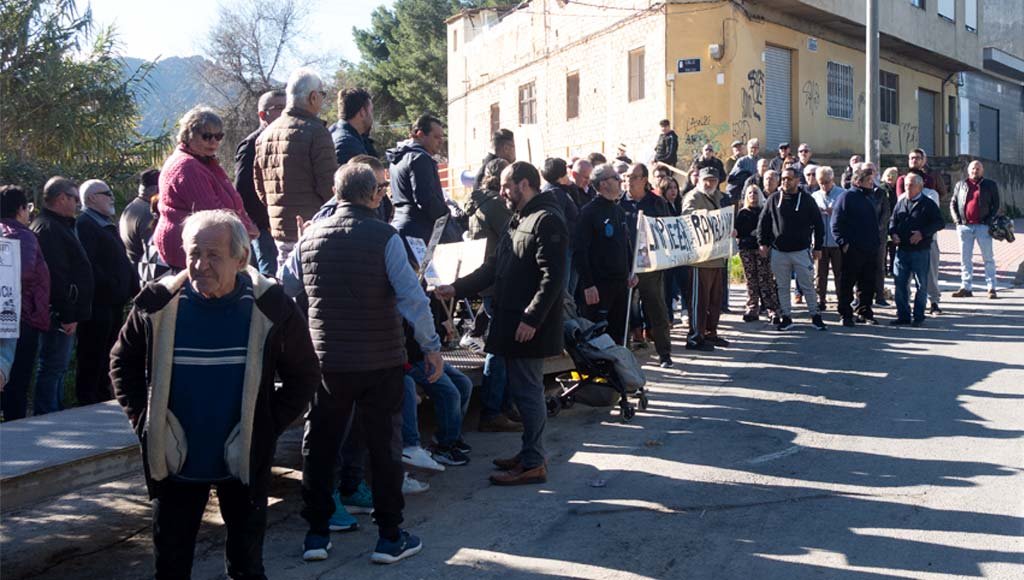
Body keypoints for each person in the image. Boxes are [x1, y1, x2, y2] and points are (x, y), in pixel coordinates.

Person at [110, 209, 320, 579]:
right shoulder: (159, 305)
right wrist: (145, 421)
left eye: (213, 255)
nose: (200, 264)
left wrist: (266, 426)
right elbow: (121, 362)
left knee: (246, 567)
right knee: (171, 567)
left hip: (241, 463)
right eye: (193, 254)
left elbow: (304, 375)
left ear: (240, 259)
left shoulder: (270, 307)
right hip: (175, 461)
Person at [299, 163, 443, 564]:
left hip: (327, 363)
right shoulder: (385, 237)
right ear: (375, 196)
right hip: (379, 362)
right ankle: (390, 536)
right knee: (384, 448)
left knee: (321, 446)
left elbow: (288, 287)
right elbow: (411, 297)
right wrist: (431, 346)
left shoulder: (308, 238)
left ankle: (316, 534)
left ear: (336, 192)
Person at [436, 161, 567, 486]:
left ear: (524, 184)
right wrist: (456, 288)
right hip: (511, 323)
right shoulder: (519, 218)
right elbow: (493, 268)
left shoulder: (548, 220)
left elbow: (554, 278)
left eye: (507, 185)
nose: (502, 191)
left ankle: (534, 462)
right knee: (524, 392)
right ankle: (529, 453)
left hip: (528, 326)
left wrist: (532, 318)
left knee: (528, 393)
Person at [254, 68, 337, 272]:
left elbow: (260, 188)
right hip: (314, 230)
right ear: (313, 97)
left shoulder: (265, 135)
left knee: (289, 292)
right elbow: (330, 188)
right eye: (322, 95)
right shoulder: (317, 132)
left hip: (280, 232)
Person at [156, 106, 258, 272]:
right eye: (206, 136)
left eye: (218, 136)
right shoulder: (188, 166)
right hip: (189, 248)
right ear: (189, 135)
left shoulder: (203, 161)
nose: (214, 142)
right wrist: (244, 230)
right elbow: (212, 213)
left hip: (202, 244)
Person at [464, 158, 520, 433]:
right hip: (497, 281)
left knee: (501, 347)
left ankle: (503, 405)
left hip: (491, 281)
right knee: (499, 349)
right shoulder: (495, 206)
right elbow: (517, 234)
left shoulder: (480, 203)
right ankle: (493, 409)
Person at [30, 177, 94, 415]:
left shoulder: (59, 225)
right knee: (52, 365)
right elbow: (55, 276)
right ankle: (47, 413)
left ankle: (55, 410)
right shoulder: (47, 228)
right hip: (59, 313)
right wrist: (66, 313)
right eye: (75, 198)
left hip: (67, 311)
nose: (78, 203)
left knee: (58, 366)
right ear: (61, 198)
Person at [74, 179, 136, 405]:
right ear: (91, 198)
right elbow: (88, 264)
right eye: (106, 193)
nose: (111, 197)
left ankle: (102, 397)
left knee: (107, 354)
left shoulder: (105, 223)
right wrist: (111, 284)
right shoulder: (85, 224)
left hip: (114, 304)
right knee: (92, 355)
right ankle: (88, 402)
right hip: (98, 305)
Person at [0, 186, 50, 421]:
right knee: (17, 383)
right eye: (27, 207)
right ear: (20, 209)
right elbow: (23, 273)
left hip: (12, 315)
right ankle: (15, 434)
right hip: (21, 318)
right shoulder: (22, 234)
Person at [757, 166, 827, 331]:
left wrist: (817, 247)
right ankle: (786, 317)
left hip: (801, 252)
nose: (785, 182)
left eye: (789, 179)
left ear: (797, 180)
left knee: (808, 285)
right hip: (778, 252)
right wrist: (762, 243)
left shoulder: (807, 200)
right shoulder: (774, 199)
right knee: (782, 286)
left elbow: (818, 224)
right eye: (783, 179)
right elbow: (763, 222)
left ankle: (815, 316)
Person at [621, 163, 674, 367]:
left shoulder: (656, 202)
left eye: (633, 177)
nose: (628, 181)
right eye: (626, 177)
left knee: (656, 308)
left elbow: (667, 229)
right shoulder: (619, 203)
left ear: (644, 179)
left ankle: (664, 353)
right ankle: (624, 354)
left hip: (650, 265)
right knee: (625, 310)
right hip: (626, 266)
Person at [576, 164, 636, 344]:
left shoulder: (618, 210)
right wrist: (588, 284)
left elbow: (625, 245)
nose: (620, 182)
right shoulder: (589, 212)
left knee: (619, 336)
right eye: (616, 178)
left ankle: (618, 371)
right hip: (599, 286)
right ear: (603, 184)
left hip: (621, 283)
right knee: (599, 337)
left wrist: (632, 271)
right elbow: (580, 250)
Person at [235, 89, 287, 275]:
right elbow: (241, 190)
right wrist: (260, 223)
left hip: (282, 225)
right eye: (279, 107)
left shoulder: (284, 140)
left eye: (287, 106)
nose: (285, 111)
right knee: (268, 277)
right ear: (262, 114)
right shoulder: (251, 145)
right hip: (264, 228)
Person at [681, 167, 731, 350]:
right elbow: (687, 218)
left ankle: (711, 333)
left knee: (715, 299)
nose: (710, 183)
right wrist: (711, 220)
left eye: (713, 180)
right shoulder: (693, 197)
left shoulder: (718, 197)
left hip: (716, 257)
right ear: (699, 180)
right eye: (706, 180)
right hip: (700, 259)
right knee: (699, 300)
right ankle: (695, 337)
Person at [889, 173, 944, 326]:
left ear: (920, 186)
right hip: (902, 250)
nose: (908, 187)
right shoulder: (901, 202)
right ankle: (903, 315)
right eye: (906, 184)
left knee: (921, 284)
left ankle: (918, 316)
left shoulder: (928, 203)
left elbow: (939, 223)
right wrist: (893, 233)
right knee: (900, 284)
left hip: (920, 250)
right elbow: (893, 220)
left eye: (911, 185)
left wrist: (922, 233)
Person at [387, 114, 451, 243]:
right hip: (418, 232)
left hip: (399, 226)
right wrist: (446, 213)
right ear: (421, 134)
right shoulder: (420, 158)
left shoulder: (398, 158)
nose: (441, 141)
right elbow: (425, 199)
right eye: (436, 137)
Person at [832, 163, 881, 326]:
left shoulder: (870, 197)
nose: (871, 184)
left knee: (867, 283)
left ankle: (864, 311)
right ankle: (845, 313)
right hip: (853, 248)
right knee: (847, 283)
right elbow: (836, 223)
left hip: (870, 248)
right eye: (868, 181)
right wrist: (843, 243)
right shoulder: (847, 197)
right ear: (858, 182)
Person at [950, 160, 1000, 299]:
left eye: (978, 168)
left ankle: (991, 287)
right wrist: (957, 221)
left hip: (983, 226)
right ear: (968, 170)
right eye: (973, 168)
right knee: (965, 259)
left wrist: (989, 220)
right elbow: (953, 203)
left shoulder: (990, 185)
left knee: (988, 258)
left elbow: (996, 205)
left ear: (982, 170)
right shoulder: (960, 185)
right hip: (964, 227)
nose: (975, 171)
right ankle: (966, 287)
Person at [735, 184, 778, 323]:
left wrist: (765, 244)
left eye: (755, 193)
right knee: (751, 280)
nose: (752, 196)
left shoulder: (764, 211)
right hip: (746, 249)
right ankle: (752, 307)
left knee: (765, 278)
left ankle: (771, 307)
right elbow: (737, 231)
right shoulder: (742, 213)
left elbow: (770, 230)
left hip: (762, 248)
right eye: (750, 193)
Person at [811, 166, 844, 312]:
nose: (823, 185)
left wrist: (835, 212)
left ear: (832, 179)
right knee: (820, 274)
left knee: (840, 273)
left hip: (837, 242)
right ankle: (821, 299)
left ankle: (842, 300)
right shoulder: (815, 195)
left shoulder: (843, 194)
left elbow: (849, 216)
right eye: (820, 182)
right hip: (820, 241)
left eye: (826, 181)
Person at [119, 169, 159, 269]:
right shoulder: (148, 213)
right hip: (145, 274)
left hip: (134, 269)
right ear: (155, 189)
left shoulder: (131, 207)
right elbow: (152, 253)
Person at [864, 167, 893, 306]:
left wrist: (876, 228)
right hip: (862, 236)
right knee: (862, 267)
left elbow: (886, 214)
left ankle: (880, 296)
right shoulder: (858, 193)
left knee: (879, 266)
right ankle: (863, 296)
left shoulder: (880, 192)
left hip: (878, 235)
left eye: (872, 175)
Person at [330, 88, 377, 165]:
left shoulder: (334, 131)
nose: (372, 116)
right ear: (362, 112)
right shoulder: (347, 145)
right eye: (371, 111)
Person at [880, 167, 899, 276]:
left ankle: (892, 268)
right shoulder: (882, 189)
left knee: (893, 247)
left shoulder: (896, 189)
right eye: (889, 176)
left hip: (893, 221)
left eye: (893, 176)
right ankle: (884, 268)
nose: (891, 178)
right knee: (884, 247)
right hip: (885, 222)